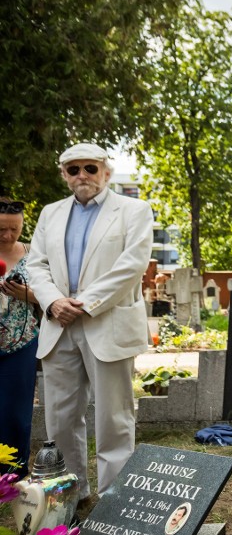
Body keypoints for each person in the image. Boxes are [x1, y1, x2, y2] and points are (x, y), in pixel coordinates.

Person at [27, 143, 154, 514]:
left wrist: (82, 304)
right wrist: (52, 302)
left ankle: (115, 503)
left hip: (106, 322)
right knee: (61, 418)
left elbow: (132, 265)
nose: (82, 175)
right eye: (73, 169)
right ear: (64, 175)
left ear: (106, 172)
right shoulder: (50, 214)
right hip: (58, 324)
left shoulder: (134, 210)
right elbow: (38, 264)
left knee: (114, 417)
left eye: (90, 168)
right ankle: (72, 496)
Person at [0, 198, 39, 476]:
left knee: (16, 412)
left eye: (14, 228)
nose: (8, 235)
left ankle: (14, 472)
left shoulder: (33, 253)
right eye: (1, 229)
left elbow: (52, 295)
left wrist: (26, 294)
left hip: (21, 342)